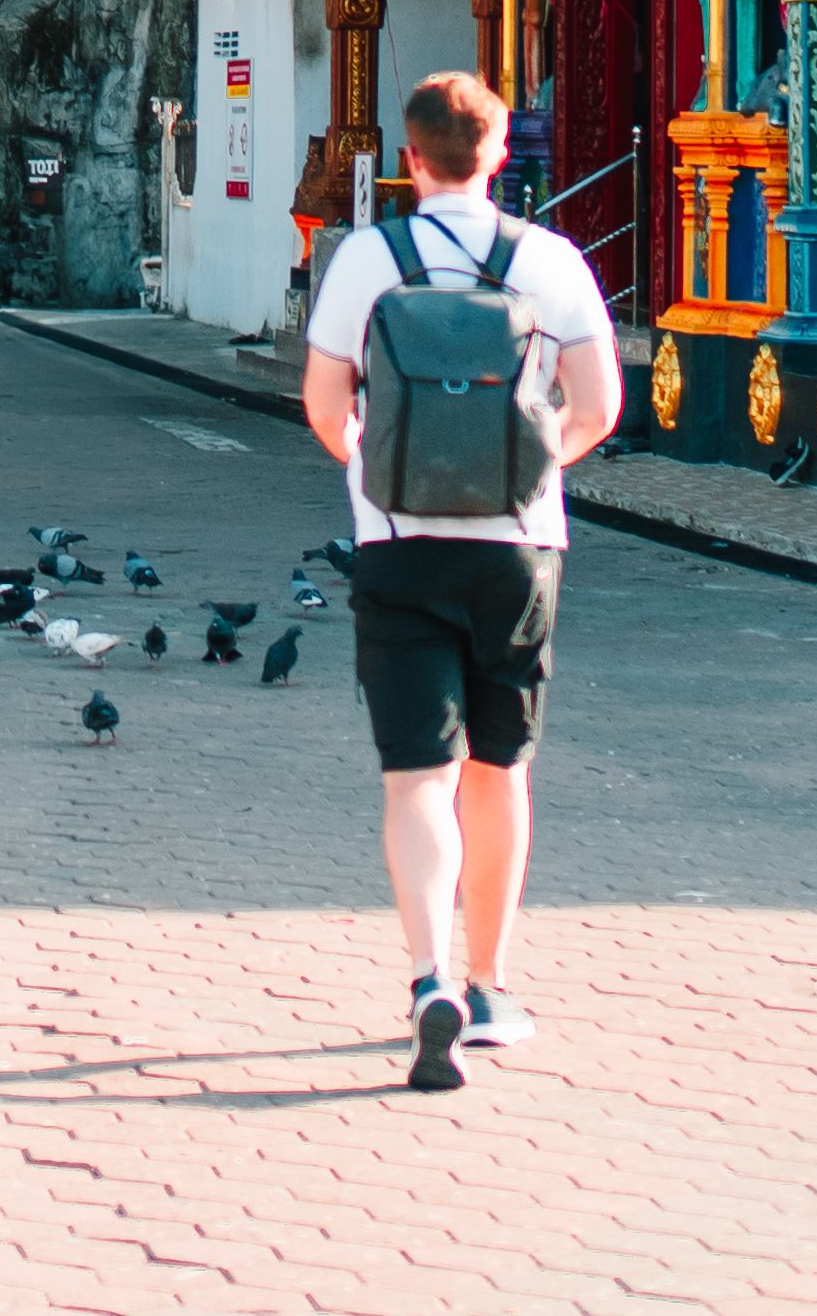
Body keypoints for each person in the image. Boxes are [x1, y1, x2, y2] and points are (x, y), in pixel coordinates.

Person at [297, 69, 620, 1089]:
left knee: (415, 774)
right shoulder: (549, 259)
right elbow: (599, 403)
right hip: (518, 547)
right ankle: (488, 983)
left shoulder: (365, 260)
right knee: (499, 766)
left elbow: (320, 403)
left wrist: (375, 468)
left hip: (397, 543)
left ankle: (426, 971)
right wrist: (527, 465)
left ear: (411, 155)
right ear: (498, 156)